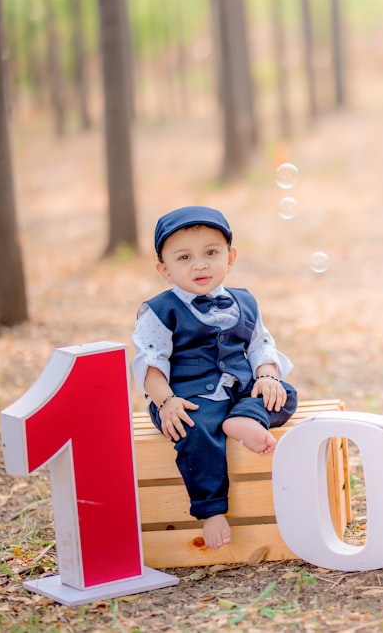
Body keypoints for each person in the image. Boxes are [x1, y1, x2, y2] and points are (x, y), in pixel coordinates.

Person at [132, 206, 298, 550]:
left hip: (238, 389)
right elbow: (151, 363)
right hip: (185, 396)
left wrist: (266, 376)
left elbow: (260, 344)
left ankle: (241, 419)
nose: (200, 264)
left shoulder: (246, 301)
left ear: (230, 257)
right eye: (184, 257)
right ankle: (211, 510)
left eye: (211, 252)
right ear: (164, 269)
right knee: (194, 429)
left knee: (285, 394)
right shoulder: (160, 310)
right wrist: (165, 402)